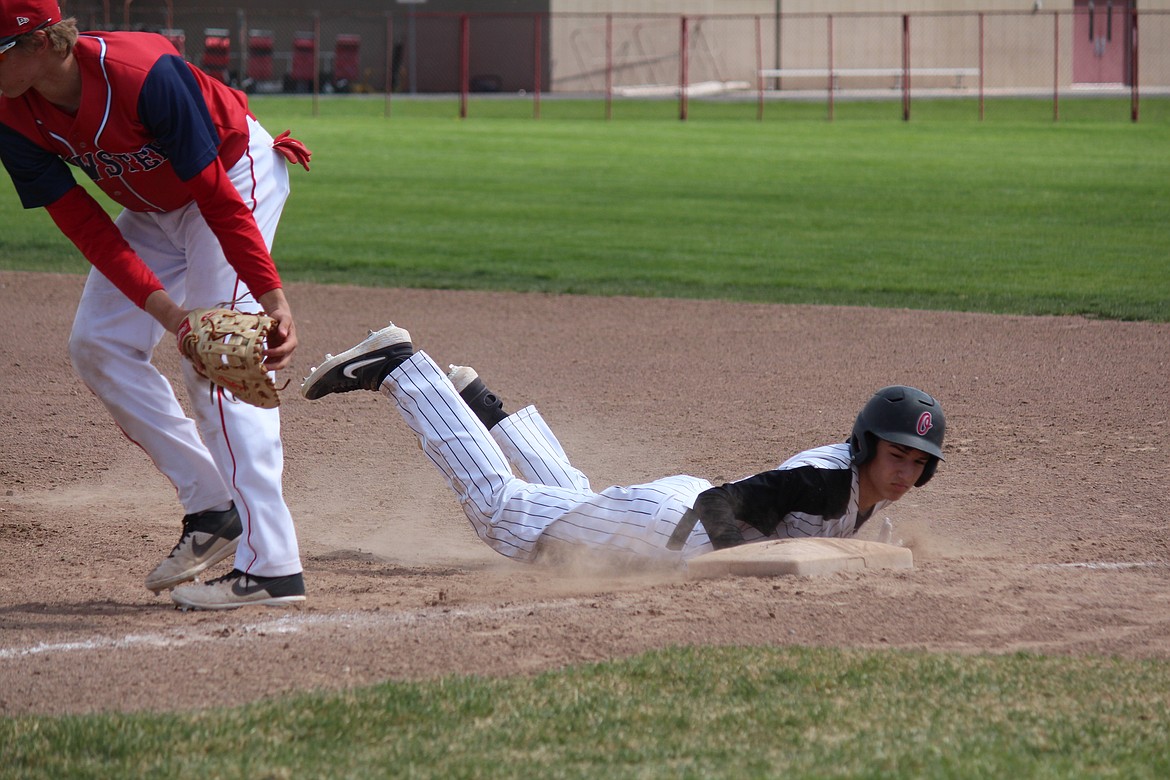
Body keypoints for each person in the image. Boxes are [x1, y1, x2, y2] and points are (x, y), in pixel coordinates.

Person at [0, 0, 312, 609]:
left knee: (220, 360)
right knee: (99, 344)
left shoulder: (143, 75)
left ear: (41, 44)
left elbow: (217, 199)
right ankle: (212, 506)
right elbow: (86, 226)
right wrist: (172, 316)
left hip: (232, 173)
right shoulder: (11, 112)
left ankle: (272, 566)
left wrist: (273, 300)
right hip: (151, 207)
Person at [299, 323, 946, 565]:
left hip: (666, 511)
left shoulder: (858, 483)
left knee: (572, 507)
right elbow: (727, 505)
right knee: (504, 514)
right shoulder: (827, 481)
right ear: (864, 446)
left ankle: (481, 410)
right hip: (675, 524)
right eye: (896, 455)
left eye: (917, 463)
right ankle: (401, 368)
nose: (904, 473)